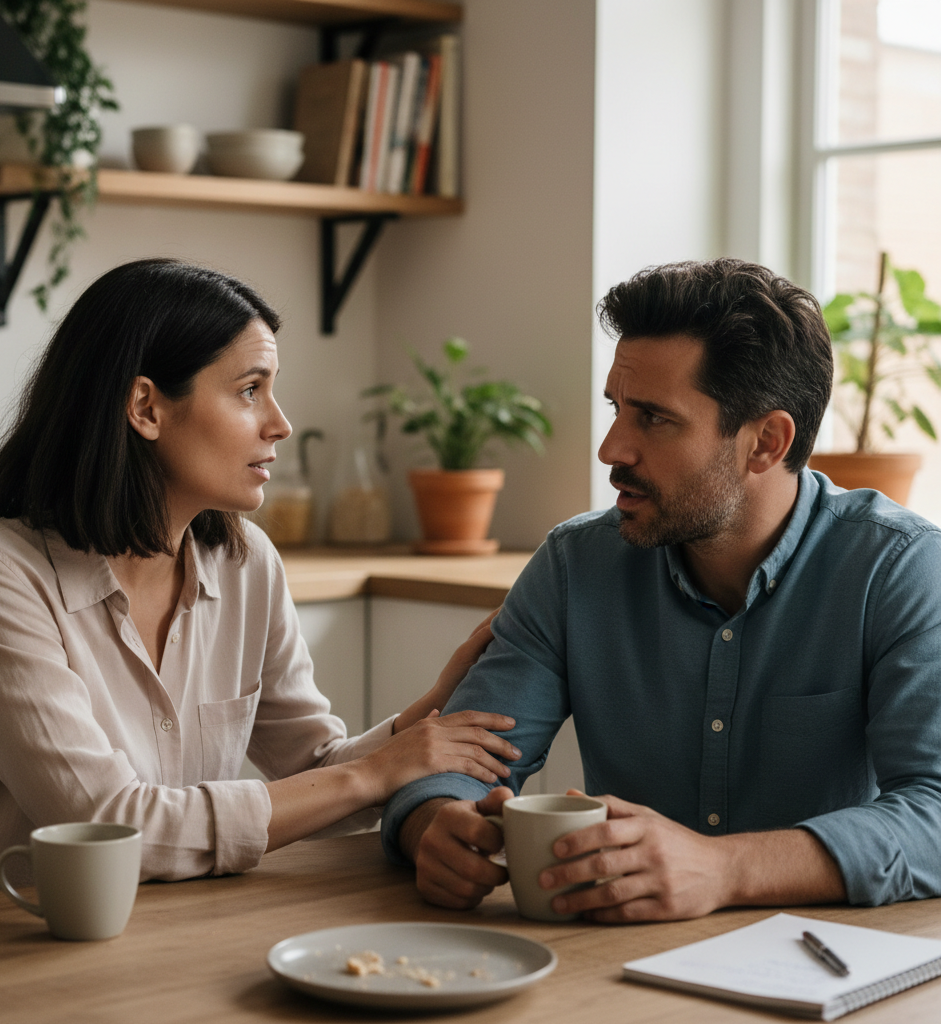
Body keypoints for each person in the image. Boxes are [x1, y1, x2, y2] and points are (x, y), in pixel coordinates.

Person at [0, 258, 519, 902]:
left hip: (161, 934)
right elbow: (111, 827)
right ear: (146, 407)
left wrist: (418, 725)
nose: (279, 423)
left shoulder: (246, 563)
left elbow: (313, 773)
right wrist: (375, 773)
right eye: (250, 390)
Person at [381, 258, 941, 922]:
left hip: (825, 968)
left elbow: (933, 810)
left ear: (767, 441)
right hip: (614, 968)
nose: (611, 449)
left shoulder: (900, 568)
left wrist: (726, 870)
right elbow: (457, 760)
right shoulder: (573, 565)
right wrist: (435, 825)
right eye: (617, 410)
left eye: (653, 418)